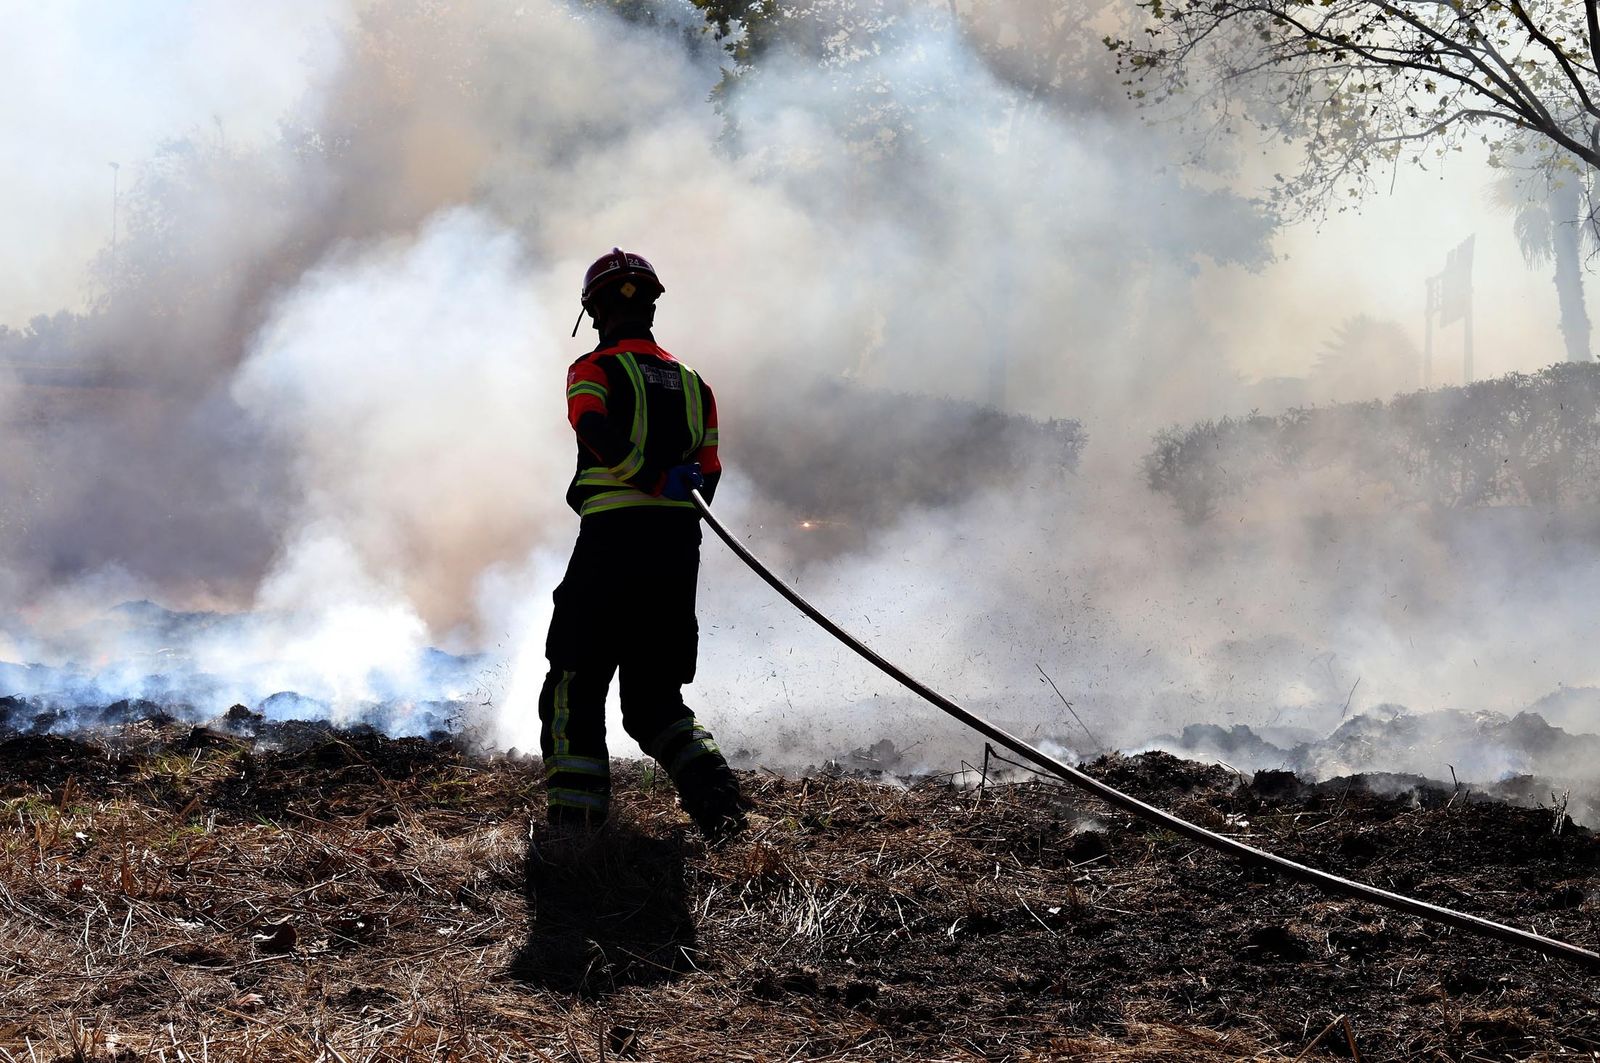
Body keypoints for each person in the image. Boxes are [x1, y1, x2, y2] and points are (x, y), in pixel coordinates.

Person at [537, 247, 748, 841]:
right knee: (654, 700)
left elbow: (593, 429)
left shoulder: (592, 370)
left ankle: (575, 831)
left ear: (592, 311)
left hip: (611, 545)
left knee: (574, 683)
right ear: (652, 306)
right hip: (677, 550)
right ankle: (723, 810)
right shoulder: (694, 384)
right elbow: (710, 469)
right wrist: (674, 491)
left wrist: (648, 477)